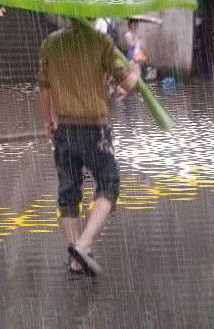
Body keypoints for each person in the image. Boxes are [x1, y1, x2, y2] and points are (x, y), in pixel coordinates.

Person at [37, 18, 139, 276]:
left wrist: (48, 121)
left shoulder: (51, 43)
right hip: (95, 129)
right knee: (109, 184)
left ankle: (74, 259)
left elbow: (44, 87)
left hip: (64, 129)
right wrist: (135, 73)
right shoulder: (99, 41)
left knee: (68, 193)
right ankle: (83, 245)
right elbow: (127, 82)